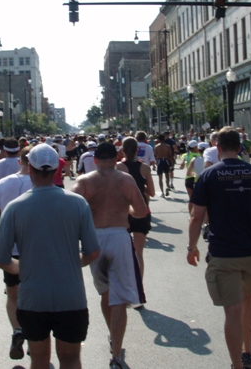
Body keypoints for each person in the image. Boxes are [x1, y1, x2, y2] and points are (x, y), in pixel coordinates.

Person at [0, 144, 100, 369]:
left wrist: (23, 268)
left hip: (33, 298)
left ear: (29, 168)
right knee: (70, 359)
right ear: (57, 170)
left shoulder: (14, 208)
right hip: (71, 296)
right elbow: (92, 251)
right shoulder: (77, 203)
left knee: (39, 360)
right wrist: (72, 264)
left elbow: (0, 258)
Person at [187, 126, 251, 369]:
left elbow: (197, 217)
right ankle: (248, 352)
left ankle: (236, 364)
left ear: (217, 148)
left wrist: (191, 247)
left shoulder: (208, 176)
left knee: (232, 311)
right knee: (249, 300)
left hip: (224, 251)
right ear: (240, 148)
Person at [72, 142, 148, 369]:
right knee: (120, 298)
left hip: (93, 238)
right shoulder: (126, 180)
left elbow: (73, 209)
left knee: (105, 293)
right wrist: (128, 210)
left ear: (94, 160)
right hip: (118, 236)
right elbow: (142, 211)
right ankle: (116, 354)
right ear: (117, 158)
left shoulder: (84, 182)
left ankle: (112, 337)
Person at [0, 146, 34, 360]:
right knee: (34, 295)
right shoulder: (41, 184)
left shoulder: (4, 183)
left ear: (19, 161)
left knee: (12, 293)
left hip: (11, 248)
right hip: (35, 249)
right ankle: (35, 337)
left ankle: (17, 330)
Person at [115, 137, 155, 280]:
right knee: (139, 253)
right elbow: (152, 192)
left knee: (122, 252)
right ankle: (139, 287)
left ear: (122, 151)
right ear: (138, 150)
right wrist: (139, 186)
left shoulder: (119, 167)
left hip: (123, 212)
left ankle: (124, 284)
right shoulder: (144, 167)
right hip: (141, 209)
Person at [154, 133, 174, 197]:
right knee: (167, 175)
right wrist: (172, 165)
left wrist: (155, 163)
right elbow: (170, 156)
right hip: (166, 161)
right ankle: (167, 186)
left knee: (160, 177)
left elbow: (155, 156)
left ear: (158, 139)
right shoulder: (168, 146)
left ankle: (162, 192)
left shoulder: (156, 146)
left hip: (160, 161)